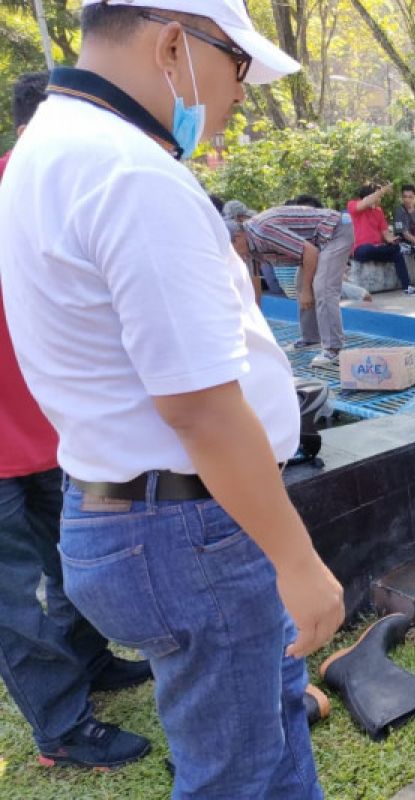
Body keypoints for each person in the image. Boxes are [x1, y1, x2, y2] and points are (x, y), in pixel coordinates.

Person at [0, 2, 344, 796]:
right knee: (235, 775)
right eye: (239, 67)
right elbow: (198, 405)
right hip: (185, 527)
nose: (242, 94)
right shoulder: (127, 171)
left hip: (128, 511)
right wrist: (298, 561)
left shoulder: (47, 148)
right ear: (171, 44)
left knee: (270, 726)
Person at [0, 69, 153, 771]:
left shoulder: (61, 189)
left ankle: (91, 661)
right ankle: (61, 727)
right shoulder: (33, 186)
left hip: (52, 428)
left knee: (71, 568)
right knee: (18, 597)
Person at [243, 201, 355, 367]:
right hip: (316, 241)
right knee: (301, 285)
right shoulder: (246, 244)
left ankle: (334, 349)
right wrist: (256, 321)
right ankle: (311, 338)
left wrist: (307, 291)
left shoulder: (262, 231)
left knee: (322, 288)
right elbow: (254, 283)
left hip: (336, 231)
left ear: (237, 237)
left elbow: (310, 252)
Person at [348, 182, 415, 296]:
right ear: (370, 195)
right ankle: (402, 248)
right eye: (378, 196)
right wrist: (382, 190)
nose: (380, 198)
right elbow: (366, 201)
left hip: (378, 249)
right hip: (361, 250)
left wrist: (393, 239)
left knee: (396, 251)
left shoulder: (378, 211)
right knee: (369, 248)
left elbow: (386, 234)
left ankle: (407, 287)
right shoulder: (353, 205)